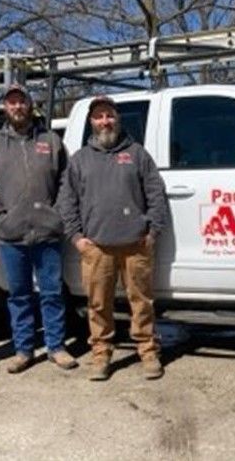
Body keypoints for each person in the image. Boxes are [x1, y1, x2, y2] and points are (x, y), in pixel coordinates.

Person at [57, 95, 168, 381]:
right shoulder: (79, 160)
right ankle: (101, 354)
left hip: (136, 245)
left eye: (109, 115)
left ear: (118, 119)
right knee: (98, 305)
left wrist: (153, 231)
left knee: (141, 301)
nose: (105, 121)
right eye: (99, 117)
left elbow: (156, 195)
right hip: (96, 247)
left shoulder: (137, 154)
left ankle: (148, 352)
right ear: (92, 122)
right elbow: (66, 201)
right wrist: (76, 237)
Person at [0, 83, 77, 374]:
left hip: (47, 233)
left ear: (30, 105)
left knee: (52, 293)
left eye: (22, 101)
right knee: (18, 296)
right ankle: (23, 350)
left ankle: (56, 347)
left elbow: (66, 181)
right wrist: (1, 216)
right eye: (11, 102)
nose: (17, 107)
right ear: (5, 108)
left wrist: (57, 214)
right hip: (11, 235)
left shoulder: (50, 140)